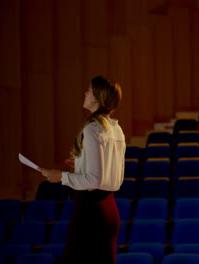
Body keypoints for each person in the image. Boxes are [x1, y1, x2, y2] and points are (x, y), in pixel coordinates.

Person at [39, 76, 126, 264]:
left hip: (91, 211)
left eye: (88, 90)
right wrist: (81, 164)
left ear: (96, 97)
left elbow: (94, 180)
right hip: (109, 210)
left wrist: (60, 176)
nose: (85, 94)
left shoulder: (92, 129)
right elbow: (112, 176)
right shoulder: (116, 129)